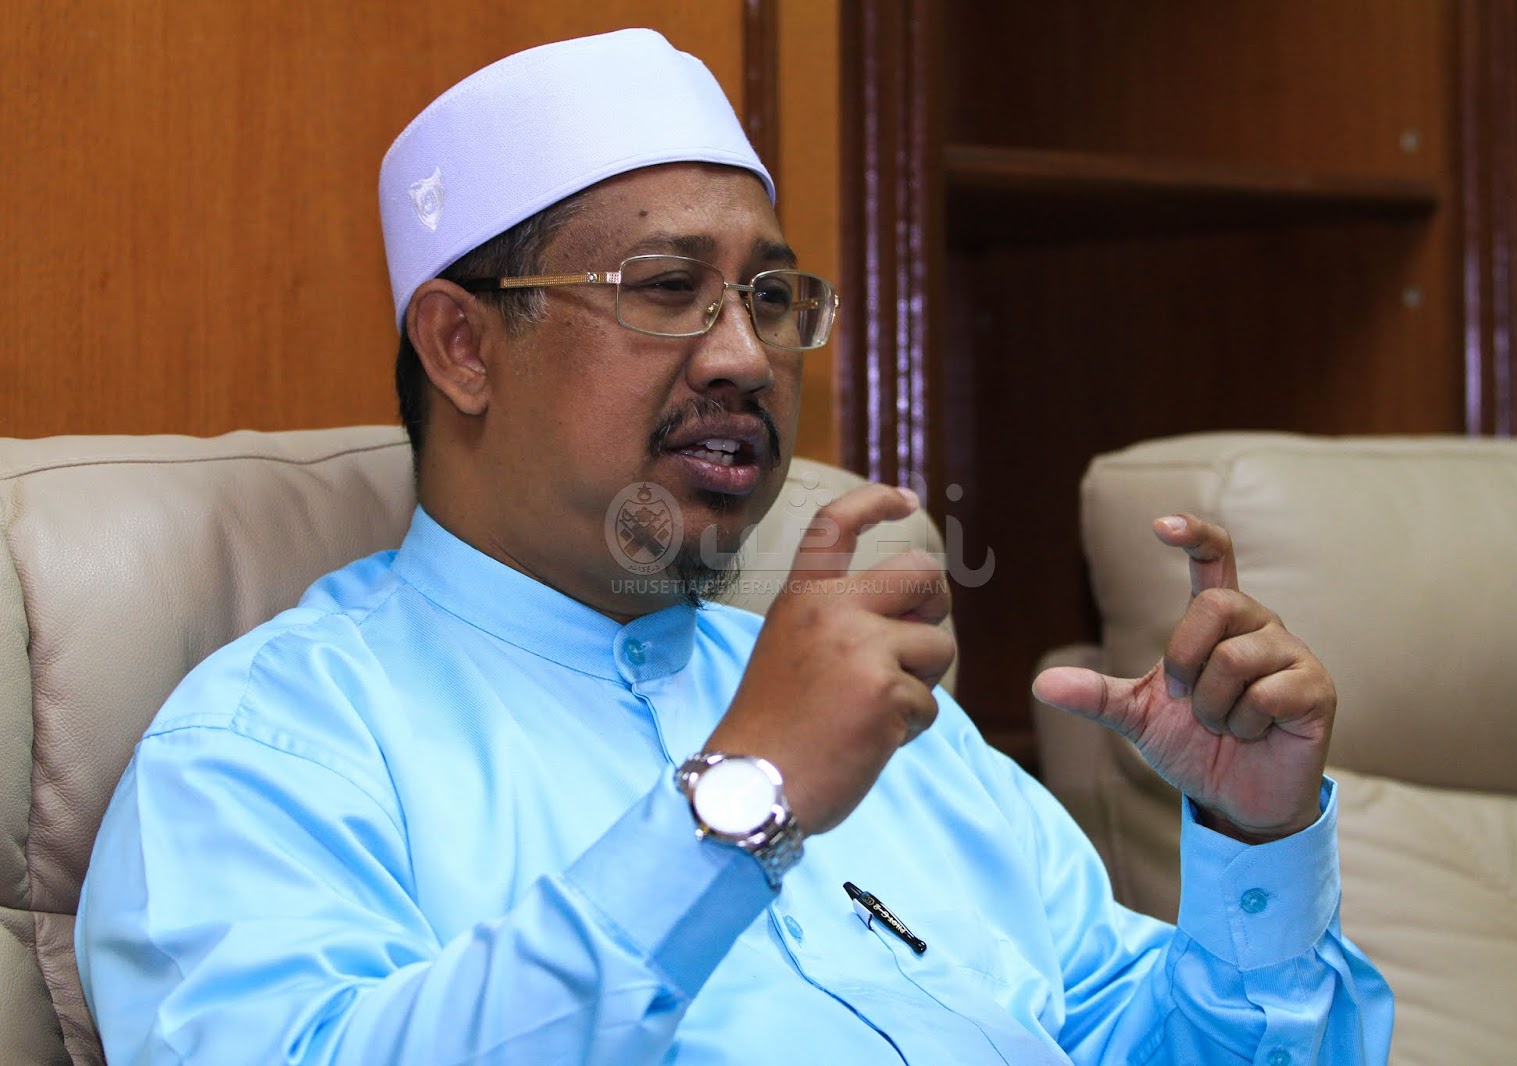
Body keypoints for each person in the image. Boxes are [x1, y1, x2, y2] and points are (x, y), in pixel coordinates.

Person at [76, 28, 1392, 1065]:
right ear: (463, 346)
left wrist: (1255, 841)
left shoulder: (898, 726)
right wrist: (739, 798)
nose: (746, 356)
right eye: (667, 289)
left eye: (771, 297)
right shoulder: (274, 745)